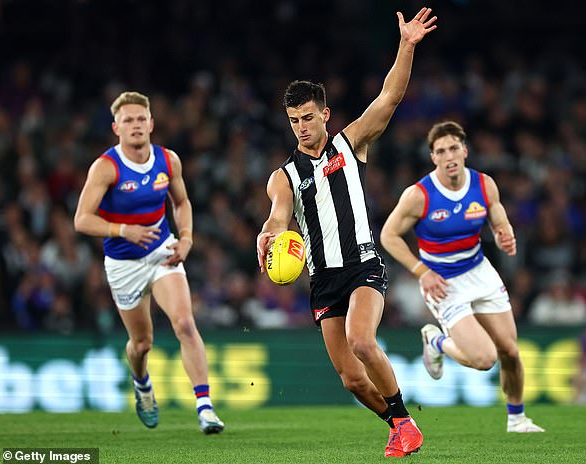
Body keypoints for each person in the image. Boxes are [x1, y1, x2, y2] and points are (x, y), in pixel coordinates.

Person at [256, 7, 437, 458]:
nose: (301, 126)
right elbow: (279, 215)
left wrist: (406, 45)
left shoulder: (349, 142)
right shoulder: (283, 176)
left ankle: (405, 423)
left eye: (308, 117)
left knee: (361, 340)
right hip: (323, 279)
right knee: (351, 378)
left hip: (362, 264)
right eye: (294, 119)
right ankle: (398, 422)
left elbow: (389, 98)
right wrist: (269, 233)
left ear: (325, 115)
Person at [74, 91, 224, 434]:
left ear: (152, 123)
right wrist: (122, 230)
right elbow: (81, 219)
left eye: (141, 118)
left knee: (185, 323)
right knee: (142, 344)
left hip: (161, 251)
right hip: (123, 263)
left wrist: (186, 238)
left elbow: (182, 202)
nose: (136, 125)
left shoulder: (168, 161)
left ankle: (205, 409)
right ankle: (141, 382)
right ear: (116, 128)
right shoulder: (106, 167)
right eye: (128, 120)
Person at [380, 120, 544, 433]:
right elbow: (388, 236)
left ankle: (517, 419)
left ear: (465, 150)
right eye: (441, 151)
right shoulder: (419, 195)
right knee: (484, 360)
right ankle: (437, 341)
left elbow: (498, 218)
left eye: (454, 147)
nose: (449, 155)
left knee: (510, 350)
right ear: (433, 158)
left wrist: (504, 233)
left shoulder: (484, 184)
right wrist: (421, 271)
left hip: (479, 271)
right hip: (442, 281)